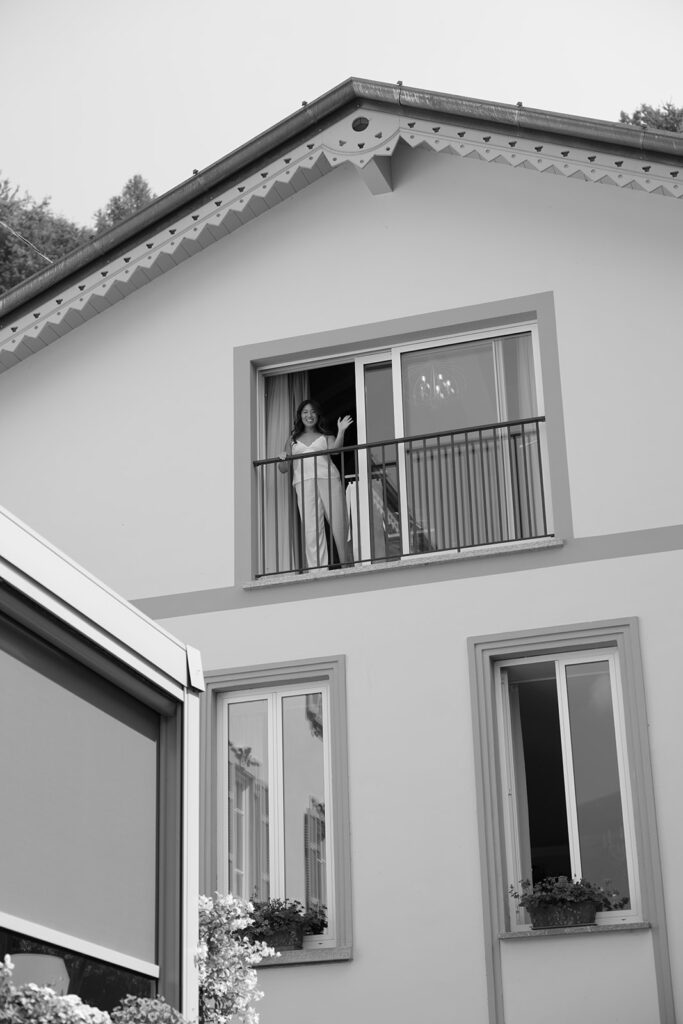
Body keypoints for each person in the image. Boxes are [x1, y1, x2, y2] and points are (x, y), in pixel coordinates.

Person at [278, 399, 353, 569]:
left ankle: (348, 565)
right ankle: (318, 571)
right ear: (300, 416)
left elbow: (336, 451)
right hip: (303, 483)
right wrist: (282, 458)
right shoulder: (292, 440)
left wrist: (341, 431)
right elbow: (283, 468)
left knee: (339, 523)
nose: (309, 415)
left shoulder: (326, 436)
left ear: (318, 416)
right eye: (305, 412)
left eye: (313, 412)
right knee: (311, 529)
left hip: (329, 479)